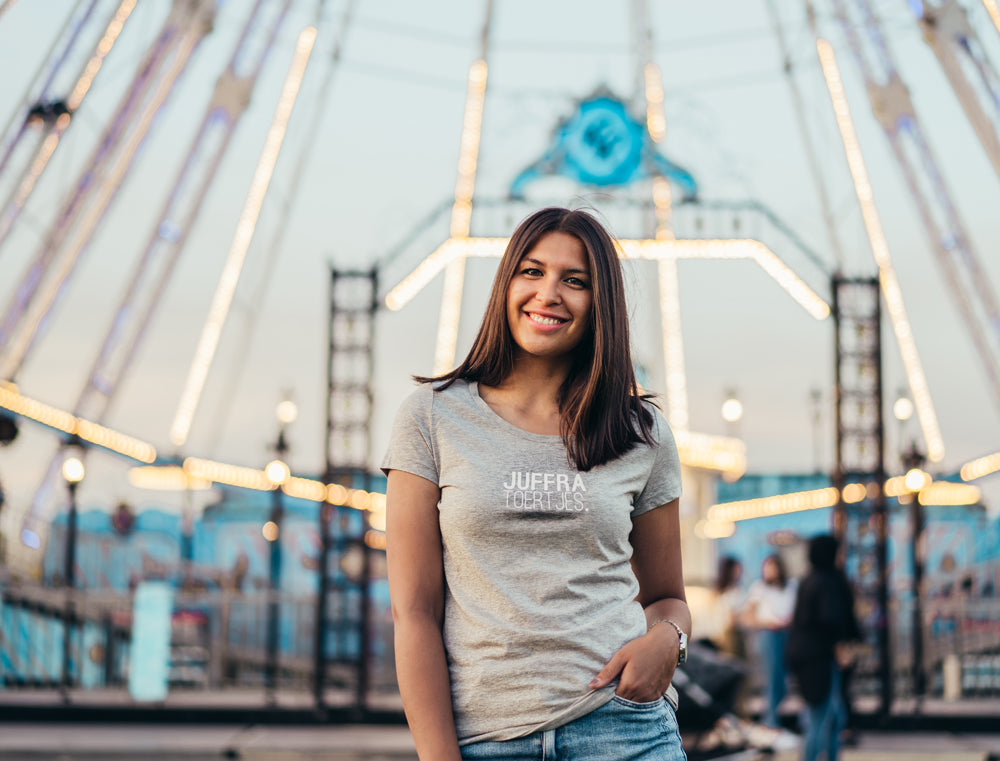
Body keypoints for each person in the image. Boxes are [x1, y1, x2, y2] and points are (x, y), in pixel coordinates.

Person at [383, 207, 690, 761]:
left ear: (602, 305)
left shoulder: (642, 434)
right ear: (506, 284)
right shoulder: (430, 419)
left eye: (575, 281)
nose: (549, 293)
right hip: (487, 742)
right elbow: (414, 615)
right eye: (532, 271)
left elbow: (668, 597)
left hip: (623, 730)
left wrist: (669, 642)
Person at [785, 535, 861, 761]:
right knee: (819, 718)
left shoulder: (808, 581)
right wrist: (840, 648)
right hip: (820, 658)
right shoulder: (828, 582)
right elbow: (831, 621)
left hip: (806, 656)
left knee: (831, 715)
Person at [742, 554, 796, 728]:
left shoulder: (791, 587)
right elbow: (748, 617)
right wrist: (767, 623)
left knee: (785, 680)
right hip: (769, 634)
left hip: (788, 634)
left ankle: (773, 717)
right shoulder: (759, 589)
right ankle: (771, 721)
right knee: (773, 679)